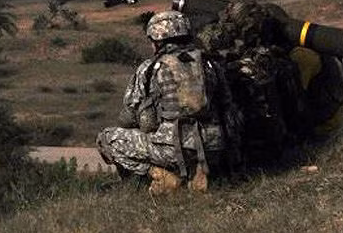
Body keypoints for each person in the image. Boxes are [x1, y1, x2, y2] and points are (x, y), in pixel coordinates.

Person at [96, 10, 239, 194]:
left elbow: (132, 118)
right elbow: (228, 107)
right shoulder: (210, 64)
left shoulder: (150, 68)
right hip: (215, 147)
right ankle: (199, 172)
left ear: (158, 40)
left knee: (108, 139)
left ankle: (161, 176)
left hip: (173, 149)